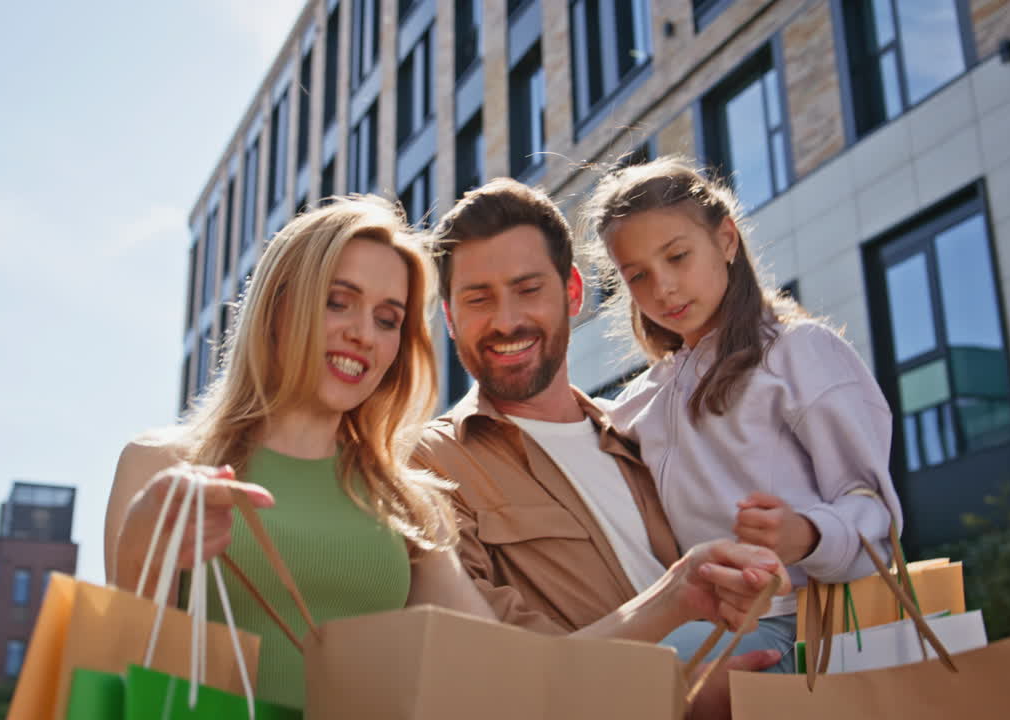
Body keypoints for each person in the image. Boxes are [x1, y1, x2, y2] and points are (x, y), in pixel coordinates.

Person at [104, 196, 789, 712]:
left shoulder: (405, 501)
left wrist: (675, 597)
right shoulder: (161, 464)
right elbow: (123, 662)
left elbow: (514, 682)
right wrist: (146, 543)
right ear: (281, 309)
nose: (362, 335)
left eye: (387, 318)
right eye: (338, 302)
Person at [580, 156, 904, 671]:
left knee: (604, 678)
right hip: (709, 623)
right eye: (637, 275)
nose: (661, 287)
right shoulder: (648, 397)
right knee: (594, 671)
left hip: (805, 625)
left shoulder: (800, 351)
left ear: (726, 239)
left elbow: (876, 520)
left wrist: (808, 534)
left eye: (678, 256)